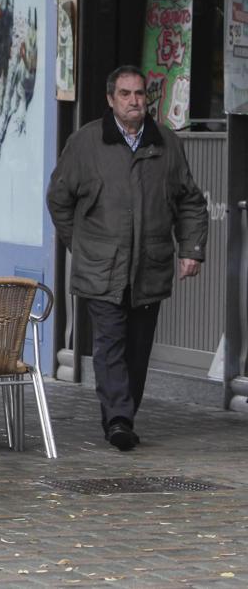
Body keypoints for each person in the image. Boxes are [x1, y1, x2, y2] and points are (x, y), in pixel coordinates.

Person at [46, 65, 208, 452]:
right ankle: (118, 419)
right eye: (125, 94)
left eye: (139, 94)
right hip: (101, 267)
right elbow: (59, 199)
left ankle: (124, 414)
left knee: (137, 349)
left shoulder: (166, 143)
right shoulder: (86, 144)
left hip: (148, 266)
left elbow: (190, 201)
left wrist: (191, 250)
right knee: (110, 344)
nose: (134, 101)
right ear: (110, 99)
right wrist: (80, 243)